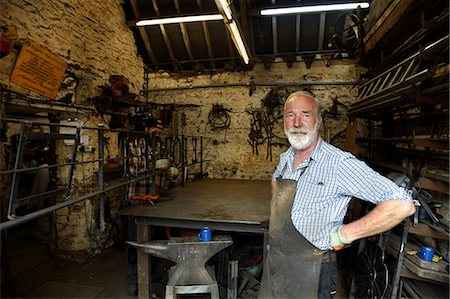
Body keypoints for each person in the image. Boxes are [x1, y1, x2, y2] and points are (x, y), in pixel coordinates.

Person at [269, 90, 416, 298]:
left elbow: (402, 204)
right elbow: (276, 185)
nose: (297, 122)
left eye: (305, 114)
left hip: (314, 270)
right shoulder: (285, 159)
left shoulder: (338, 164)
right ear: (284, 121)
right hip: (279, 263)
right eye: (290, 115)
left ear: (318, 122)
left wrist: (345, 234)